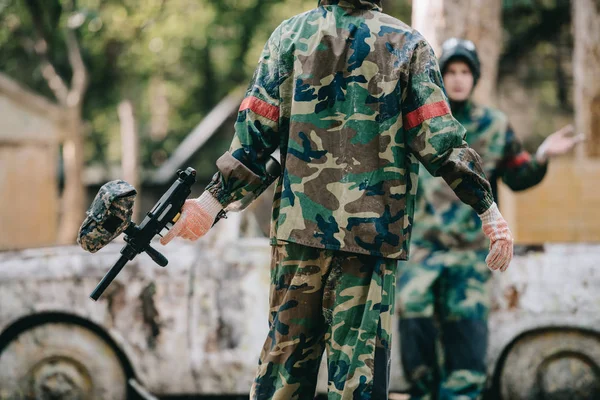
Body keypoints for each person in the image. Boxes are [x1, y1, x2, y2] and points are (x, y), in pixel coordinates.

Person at [161, 4, 514, 399]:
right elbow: (440, 141)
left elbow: (254, 135)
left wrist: (212, 202)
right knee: (356, 383)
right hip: (371, 240)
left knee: (282, 375)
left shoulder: (290, 37)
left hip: (299, 234)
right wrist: (488, 207)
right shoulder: (407, 44)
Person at [396, 38, 584, 400]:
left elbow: (518, 175)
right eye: (450, 71)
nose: (457, 79)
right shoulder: (420, 121)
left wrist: (542, 155)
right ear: (438, 76)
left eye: (465, 71)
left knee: (466, 351)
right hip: (420, 252)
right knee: (415, 335)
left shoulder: (494, 125)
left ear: (475, 77)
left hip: (470, 255)